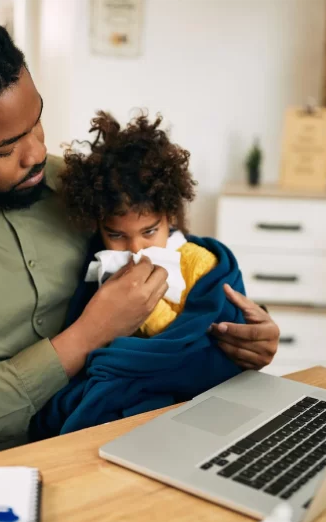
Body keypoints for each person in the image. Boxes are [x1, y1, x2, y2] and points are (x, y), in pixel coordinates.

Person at [0, 0, 280, 469]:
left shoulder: (80, 186)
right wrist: (87, 336)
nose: (38, 154)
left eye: (37, 122)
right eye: (5, 149)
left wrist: (246, 335)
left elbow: (180, 271)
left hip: (119, 439)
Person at [29, 111, 250, 438]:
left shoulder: (198, 260)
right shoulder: (99, 263)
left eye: (149, 231)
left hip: (183, 380)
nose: (135, 249)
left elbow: (219, 325)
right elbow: (86, 328)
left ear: (170, 215)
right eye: (116, 234)